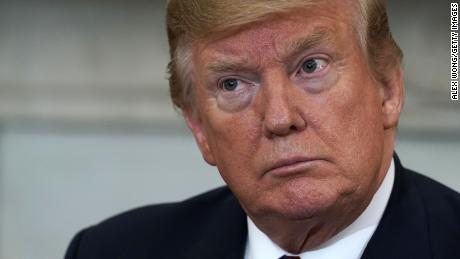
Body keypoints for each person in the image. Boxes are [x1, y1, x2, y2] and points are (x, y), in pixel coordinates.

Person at [64, 0, 460, 258]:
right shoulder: (109, 251)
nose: (279, 118)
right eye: (233, 84)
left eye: (311, 66)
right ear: (199, 127)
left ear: (388, 88)